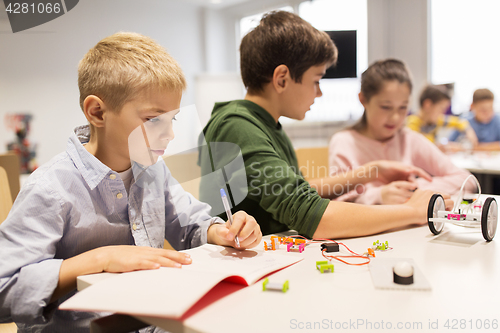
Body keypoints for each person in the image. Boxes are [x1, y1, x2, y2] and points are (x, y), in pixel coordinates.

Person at [0, 32, 261, 333]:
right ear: (97, 112)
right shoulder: (50, 188)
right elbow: (5, 289)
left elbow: (191, 226)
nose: (169, 135)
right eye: (153, 120)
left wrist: (223, 231)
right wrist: (99, 258)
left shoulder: (153, 172)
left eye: (171, 120)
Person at [198, 11, 452, 241]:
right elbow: (312, 215)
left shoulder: (264, 124)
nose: (318, 93)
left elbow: (295, 190)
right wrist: (412, 211)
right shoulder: (238, 126)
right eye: (316, 80)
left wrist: (371, 171)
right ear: (282, 79)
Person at [329, 59, 475, 205]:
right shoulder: (344, 142)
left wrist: (413, 189)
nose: (395, 117)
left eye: (403, 107)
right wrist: (379, 196)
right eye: (386, 107)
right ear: (363, 99)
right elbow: (338, 199)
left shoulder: (409, 139)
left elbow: (467, 180)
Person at [407, 85, 478, 152]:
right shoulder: (412, 123)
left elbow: (459, 122)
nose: (442, 113)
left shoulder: (437, 121)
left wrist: (469, 131)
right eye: (441, 108)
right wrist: (438, 147)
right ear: (427, 105)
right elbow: (417, 147)